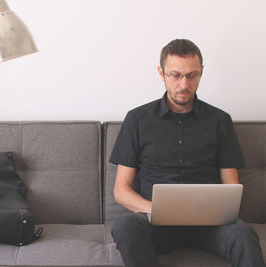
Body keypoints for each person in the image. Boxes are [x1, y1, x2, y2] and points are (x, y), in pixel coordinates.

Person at [110, 39, 265, 267]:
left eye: (192, 75)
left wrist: (217, 210)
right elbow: (121, 191)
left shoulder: (220, 121)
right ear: (161, 73)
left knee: (243, 233)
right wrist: (157, 209)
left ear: (202, 72)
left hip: (209, 226)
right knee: (124, 227)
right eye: (175, 75)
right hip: (156, 224)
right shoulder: (137, 120)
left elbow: (232, 187)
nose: (184, 84)